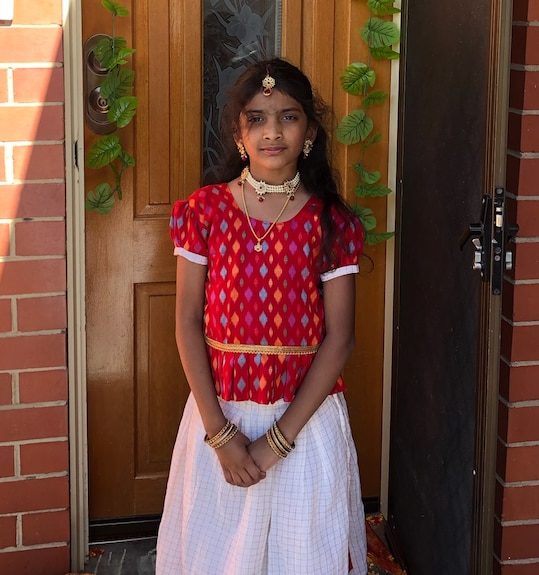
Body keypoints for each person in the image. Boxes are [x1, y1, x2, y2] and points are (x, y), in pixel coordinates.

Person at [156, 57, 368, 575]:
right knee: (218, 555)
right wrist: (221, 435)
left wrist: (276, 443)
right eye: (257, 118)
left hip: (304, 423)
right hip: (220, 416)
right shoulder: (205, 212)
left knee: (303, 556)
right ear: (238, 132)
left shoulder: (331, 223)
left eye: (288, 117)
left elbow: (339, 340)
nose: (273, 132)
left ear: (310, 132)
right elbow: (187, 323)